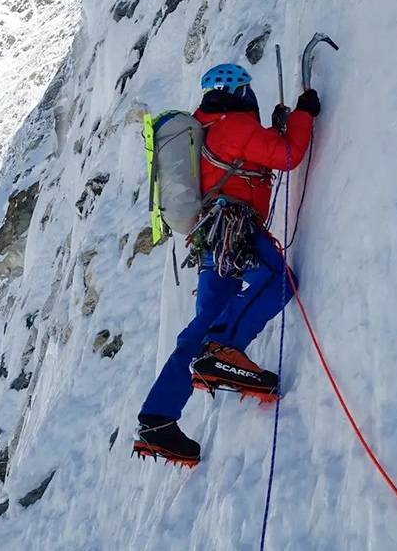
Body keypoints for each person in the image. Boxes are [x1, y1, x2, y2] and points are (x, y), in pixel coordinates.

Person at [133, 63, 320, 466]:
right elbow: (287, 155)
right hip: (235, 229)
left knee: (203, 325)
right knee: (277, 281)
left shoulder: (205, 129)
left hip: (208, 239)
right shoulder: (233, 124)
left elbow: (251, 159)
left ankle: (158, 417)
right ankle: (224, 349)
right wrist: (304, 113)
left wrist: (273, 129)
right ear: (242, 93)